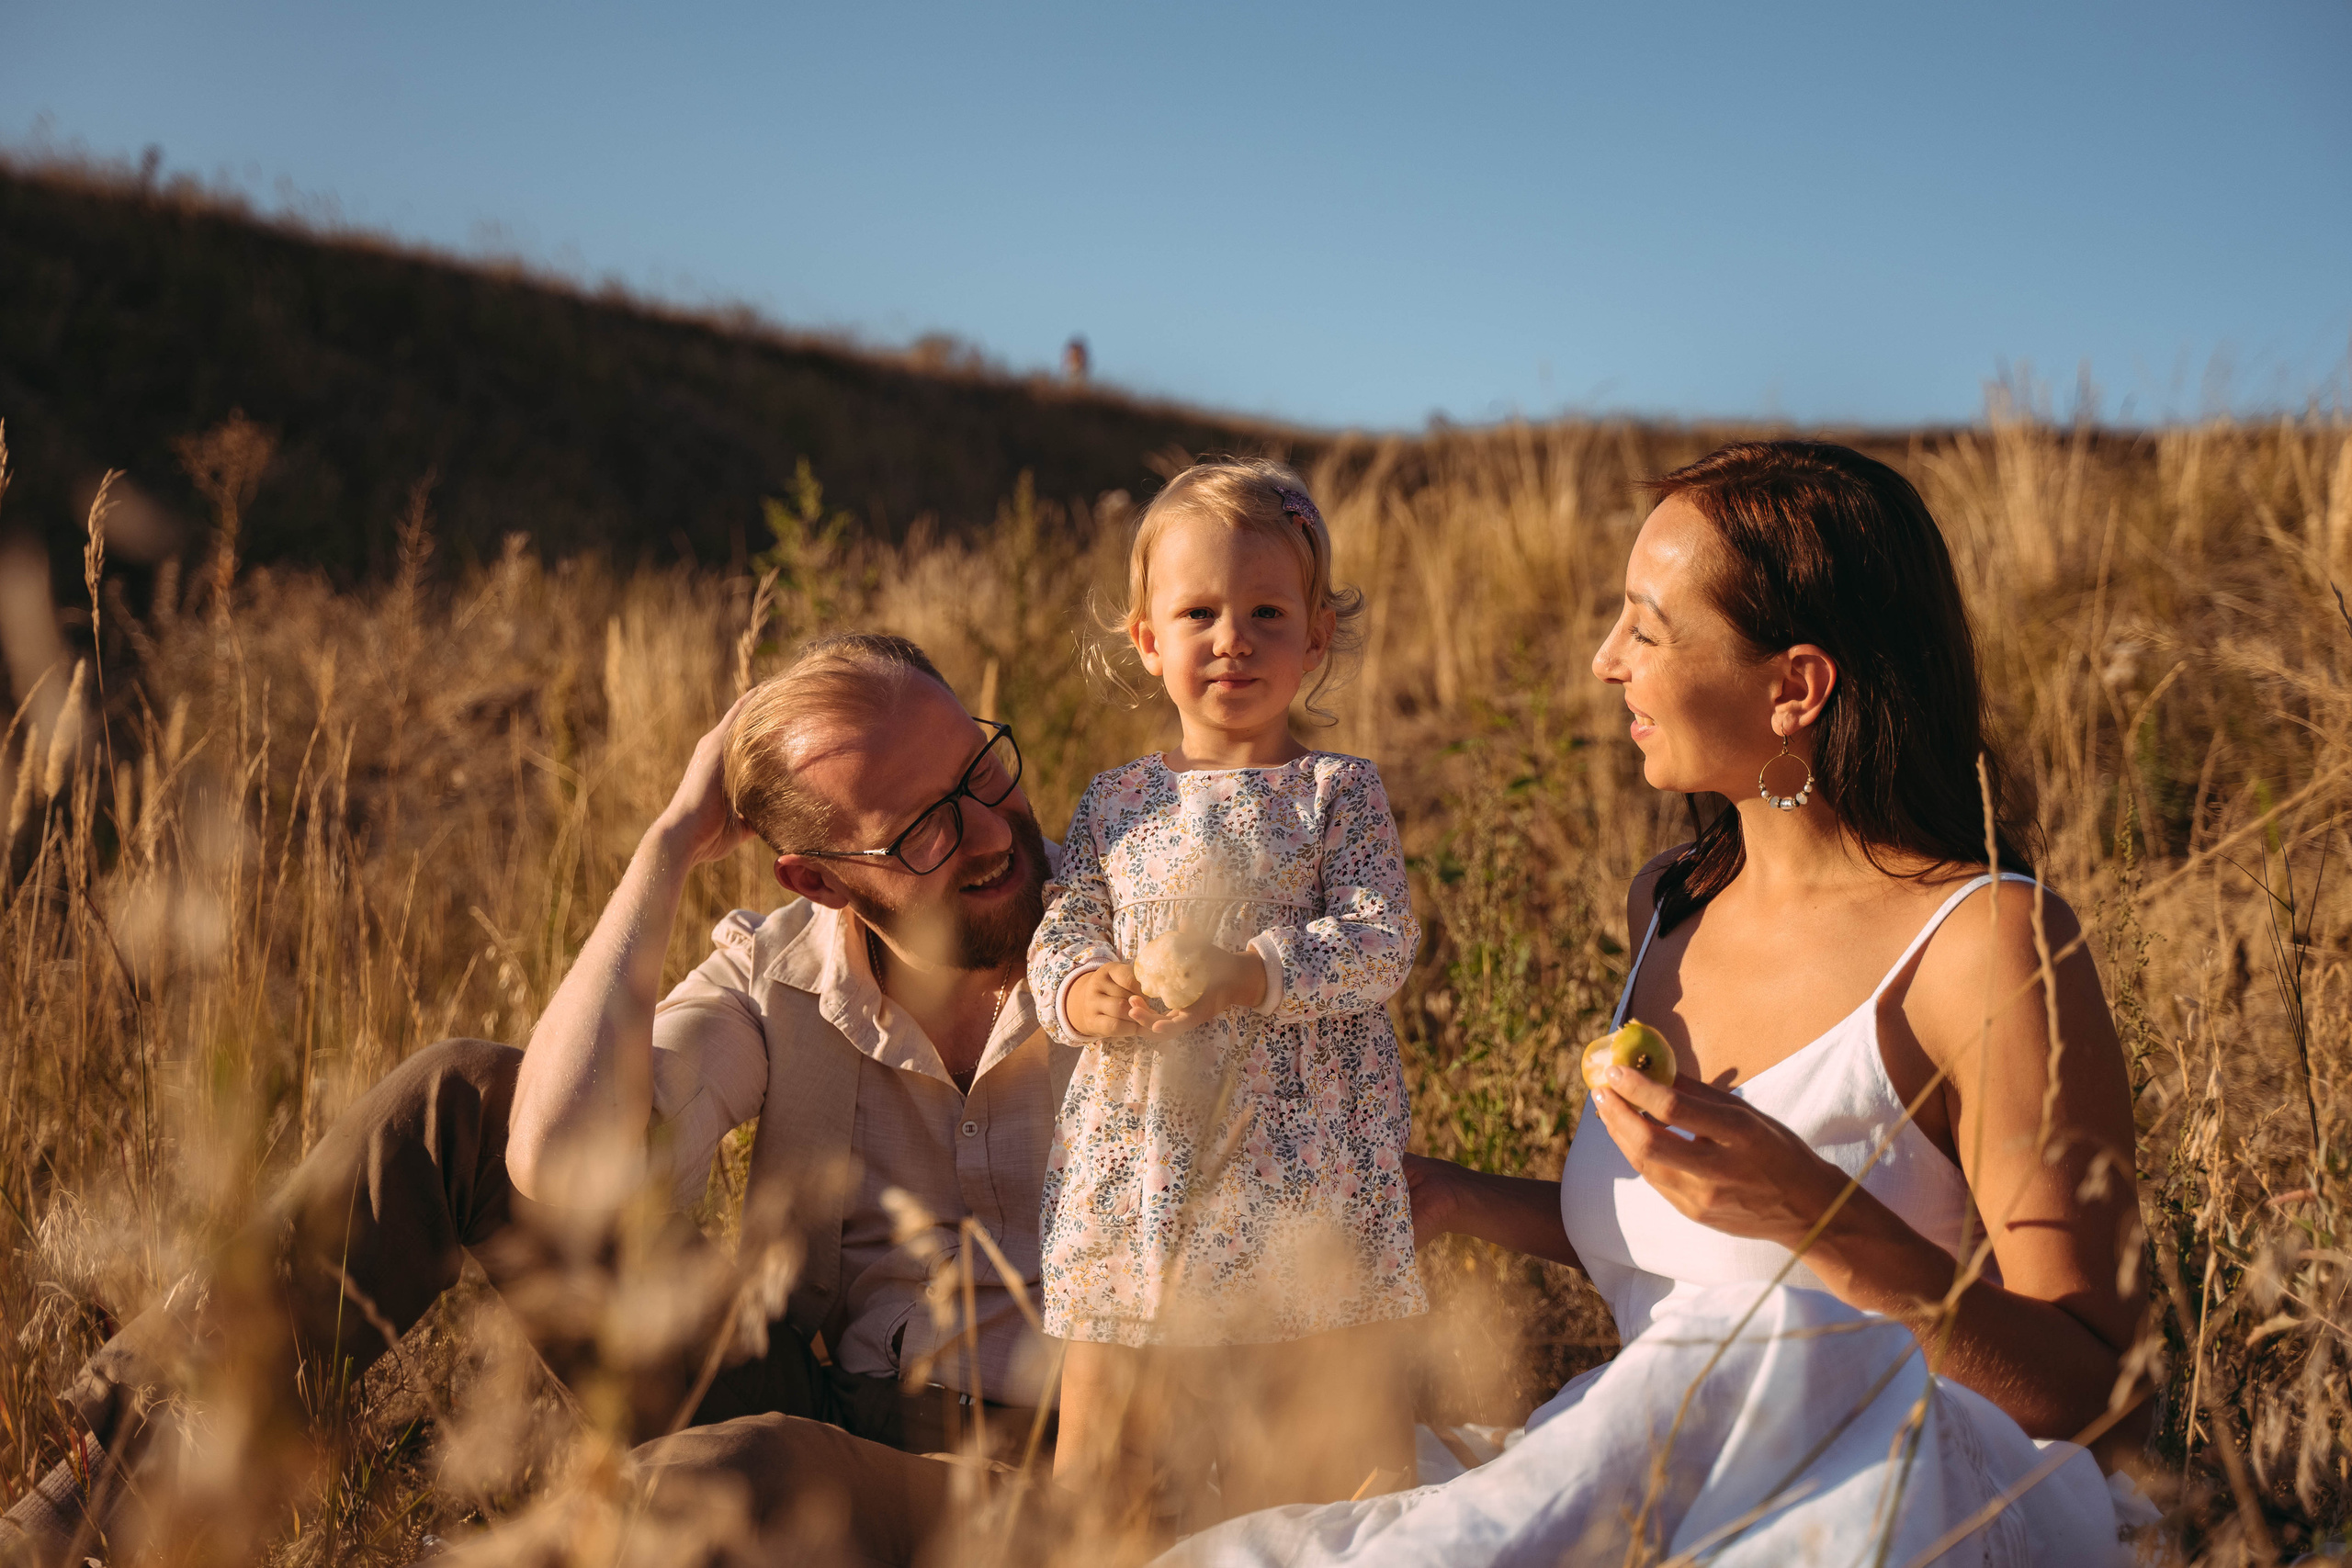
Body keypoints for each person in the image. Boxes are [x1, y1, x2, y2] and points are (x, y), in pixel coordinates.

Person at [1162, 441, 2159, 1566]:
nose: (1604, 661)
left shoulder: (1984, 943)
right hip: (1675, 1459)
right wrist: (1454, 1195)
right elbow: (1684, 1253)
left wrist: (1812, 1214)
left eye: (1646, 626)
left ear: (1794, 686)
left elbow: (2101, 1396)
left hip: (1897, 1492)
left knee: (1763, 1344)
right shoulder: (1671, 907)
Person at [2, 632, 1070, 1568]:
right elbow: (561, 1167)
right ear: (820, 879)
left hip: (1061, 1468)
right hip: (823, 1409)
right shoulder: (780, 973)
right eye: (924, 828)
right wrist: (665, 847)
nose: (989, 830)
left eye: (982, 770)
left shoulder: (1128, 935)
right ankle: (89, 1511)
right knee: (460, 1098)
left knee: (732, 1472)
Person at [1030, 458, 1425, 1516]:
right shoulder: (1116, 803)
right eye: (1198, 611)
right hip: (1143, 1152)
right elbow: (1062, 922)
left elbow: (1383, 940)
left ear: (1316, 636)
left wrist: (1255, 974)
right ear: (1147, 638)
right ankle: (1085, 1530)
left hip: (1304, 1160)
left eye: (1265, 611)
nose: (1232, 638)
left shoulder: (1335, 790)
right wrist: (1077, 991)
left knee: (1319, 1435)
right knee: (1106, 1400)